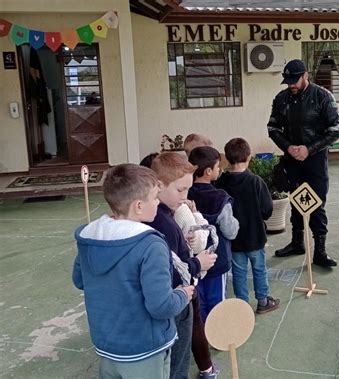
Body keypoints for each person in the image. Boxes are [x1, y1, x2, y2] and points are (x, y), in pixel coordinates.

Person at [72, 163, 194, 379]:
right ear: (138, 205)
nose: (158, 202)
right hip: (144, 349)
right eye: (155, 197)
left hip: (107, 345)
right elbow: (161, 307)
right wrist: (184, 294)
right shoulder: (150, 244)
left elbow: (79, 280)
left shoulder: (90, 236)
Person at [146, 153, 219, 379]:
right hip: (178, 296)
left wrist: (183, 244)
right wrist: (199, 262)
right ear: (159, 186)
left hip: (177, 295)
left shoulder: (166, 214)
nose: (185, 197)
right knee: (178, 359)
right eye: (180, 190)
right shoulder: (162, 220)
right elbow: (172, 268)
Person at [267, 59, 339, 267]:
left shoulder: (323, 97)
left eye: (295, 80)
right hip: (292, 158)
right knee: (297, 200)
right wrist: (288, 147)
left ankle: (320, 250)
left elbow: (335, 130)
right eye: (288, 81)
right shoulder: (281, 99)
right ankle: (297, 242)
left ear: (305, 75)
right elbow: (273, 128)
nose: (291, 85)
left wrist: (309, 149)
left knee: (316, 202)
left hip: (315, 158)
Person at [216, 138, 280, 314]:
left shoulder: (221, 182)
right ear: (249, 156)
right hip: (255, 236)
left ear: (227, 159)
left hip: (233, 238)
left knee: (238, 272)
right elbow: (267, 210)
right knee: (259, 269)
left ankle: (242, 306)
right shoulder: (256, 181)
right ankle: (263, 301)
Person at [188, 146, 239, 320]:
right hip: (217, 259)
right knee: (217, 301)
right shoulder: (220, 197)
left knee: (198, 301)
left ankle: (202, 338)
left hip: (193, 259)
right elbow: (230, 231)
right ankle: (217, 336)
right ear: (208, 171)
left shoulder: (184, 194)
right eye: (218, 167)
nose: (220, 170)